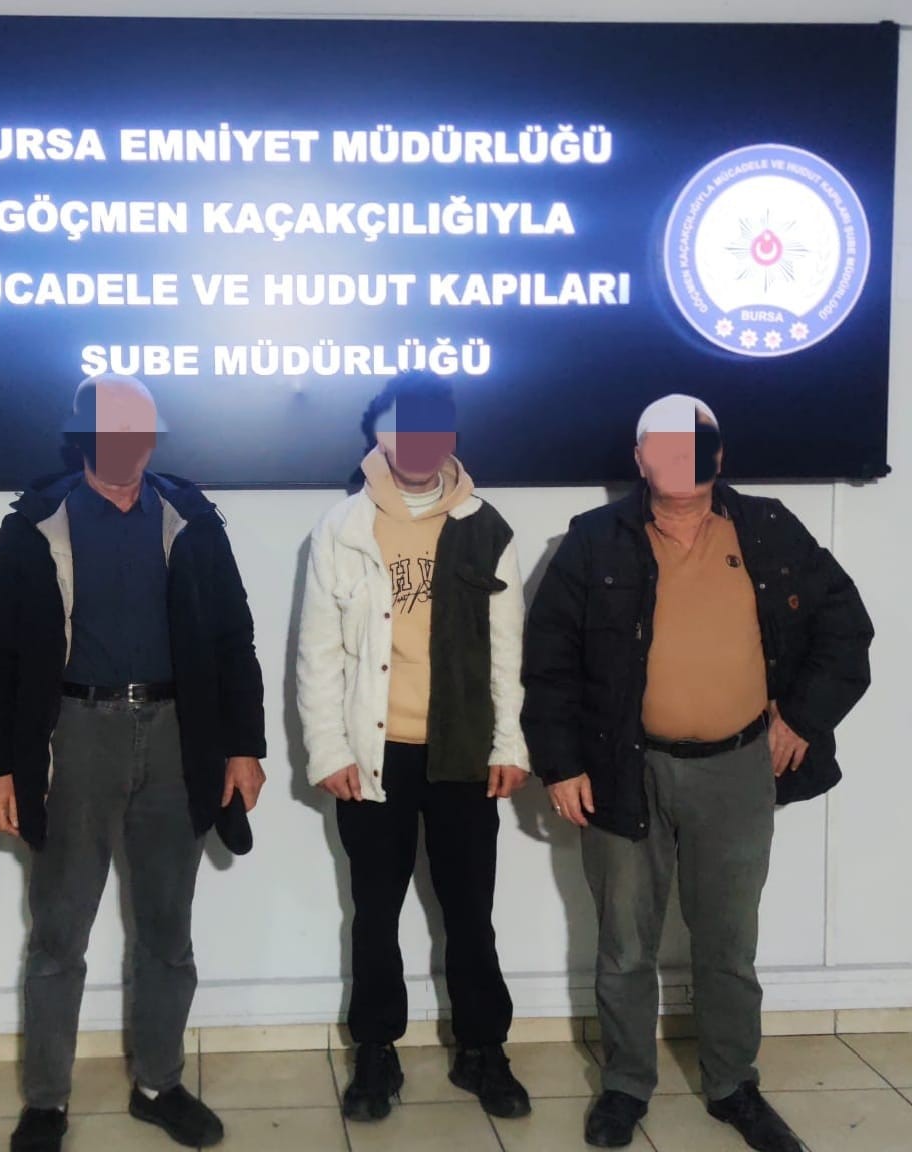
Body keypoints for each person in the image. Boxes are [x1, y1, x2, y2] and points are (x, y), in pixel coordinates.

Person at [522, 394, 873, 1151]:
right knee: (624, 945)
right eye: (665, 444)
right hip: (622, 770)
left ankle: (732, 1084)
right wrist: (560, 764)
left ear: (720, 455)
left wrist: (801, 719)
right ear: (639, 457)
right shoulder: (592, 541)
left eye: (697, 443)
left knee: (728, 944)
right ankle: (625, 1086)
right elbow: (547, 665)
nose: (682, 457)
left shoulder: (770, 527)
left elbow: (846, 627)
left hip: (738, 770)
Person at [0, 374, 267, 1152]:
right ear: (82, 437)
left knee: (167, 929)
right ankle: (46, 1101)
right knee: (60, 932)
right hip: (74, 736)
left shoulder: (191, 520)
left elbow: (233, 637)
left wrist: (243, 746)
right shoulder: (36, 525)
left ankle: (158, 1084)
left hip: (178, 737)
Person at [296, 371, 532, 1125]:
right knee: (375, 912)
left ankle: (483, 1047)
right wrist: (327, 748)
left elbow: (507, 650)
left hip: (462, 754)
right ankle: (375, 1049)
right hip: (375, 756)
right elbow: (318, 652)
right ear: (380, 435)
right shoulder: (342, 528)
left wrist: (510, 742)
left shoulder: (486, 525)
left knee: (470, 911)